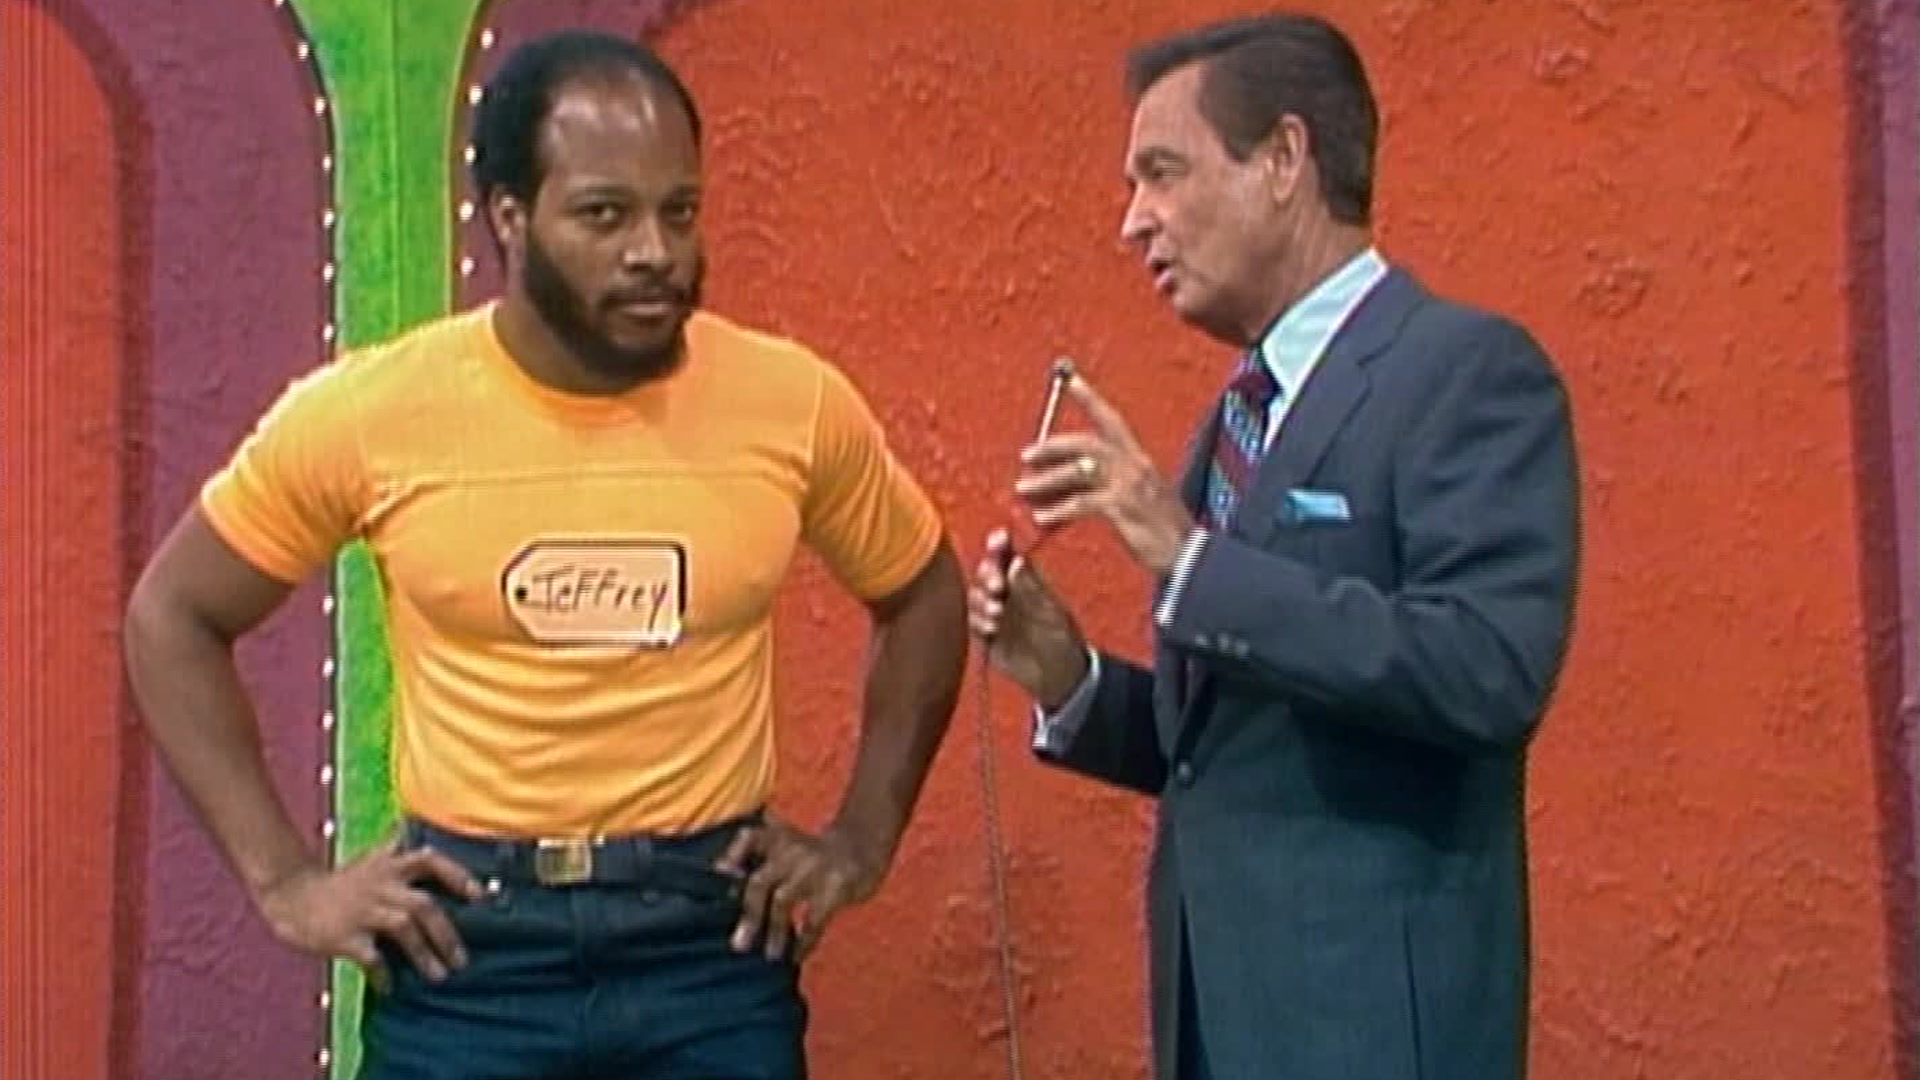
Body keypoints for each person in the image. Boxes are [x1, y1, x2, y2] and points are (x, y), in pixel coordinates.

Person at [124, 29, 968, 1080]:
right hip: (465, 954)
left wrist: (861, 841)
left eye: (679, 212)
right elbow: (173, 616)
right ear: (509, 218)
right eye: (605, 215)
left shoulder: (791, 403)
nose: (654, 251)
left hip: (708, 947)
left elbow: (924, 593)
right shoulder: (372, 414)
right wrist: (286, 884)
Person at [968, 13, 1579, 1080]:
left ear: (1285, 159)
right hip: (1215, 1030)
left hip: (1374, 1035)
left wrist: (1188, 560)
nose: (1133, 222)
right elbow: (1230, 753)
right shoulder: (1237, 418)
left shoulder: (1466, 372)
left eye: (1162, 175)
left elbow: (1487, 671)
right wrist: (1068, 679)